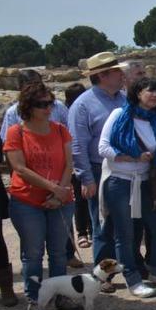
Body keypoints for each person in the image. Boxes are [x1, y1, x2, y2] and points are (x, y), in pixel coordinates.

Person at [97, 78, 156, 298]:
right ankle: (132, 278)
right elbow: (103, 147)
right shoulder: (119, 116)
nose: (154, 95)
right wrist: (131, 156)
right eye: (149, 90)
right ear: (137, 92)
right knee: (125, 233)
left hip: (146, 182)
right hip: (120, 181)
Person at [4, 82, 76, 310]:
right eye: (41, 104)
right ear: (28, 106)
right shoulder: (17, 132)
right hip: (27, 201)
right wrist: (53, 188)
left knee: (58, 253)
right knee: (32, 253)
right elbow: (19, 168)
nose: (48, 108)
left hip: (60, 199)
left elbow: (69, 164)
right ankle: (35, 300)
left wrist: (59, 193)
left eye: (50, 103)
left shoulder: (59, 130)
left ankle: (60, 296)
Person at [69, 52, 129, 291]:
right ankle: (102, 276)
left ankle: (127, 267)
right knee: (102, 225)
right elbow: (78, 145)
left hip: (125, 167)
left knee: (125, 223)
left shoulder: (123, 99)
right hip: (98, 169)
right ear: (102, 76)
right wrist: (86, 177)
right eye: (116, 71)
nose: (121, 74)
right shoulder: (82, 105)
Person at [64, 83, 91, 250]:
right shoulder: (67, 112)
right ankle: (82, 232)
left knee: (88, 200)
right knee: (80, 200)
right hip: (74, 163)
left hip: (87, 159)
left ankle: (89, 231)